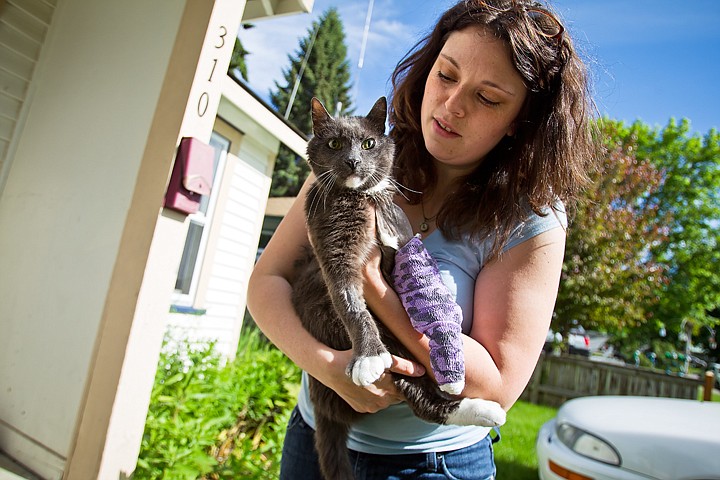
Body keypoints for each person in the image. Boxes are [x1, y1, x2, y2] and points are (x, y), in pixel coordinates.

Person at [247, 0, 597, 478]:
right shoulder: (349, 159)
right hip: (313, 438)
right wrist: (327, 365)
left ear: (522, 119)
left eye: (488, 98)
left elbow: (496, 387)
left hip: (435, 466)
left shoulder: (530, 220)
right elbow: (267, 280)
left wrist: (373, 283)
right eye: (446, 75)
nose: (452, 106)